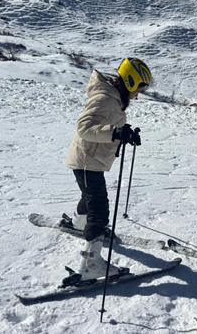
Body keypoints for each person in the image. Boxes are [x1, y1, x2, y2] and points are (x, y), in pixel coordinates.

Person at [65, 57, 152, 279]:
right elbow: (84, 128)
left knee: (90, 197)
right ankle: (90, 265)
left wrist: (125, 133)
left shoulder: (113, 98)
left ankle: (79, 223)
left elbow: (104, 125)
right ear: (131, 81)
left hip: (90, 160)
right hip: (87, 161)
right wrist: (115, 132)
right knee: (99, 210)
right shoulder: (105, 98)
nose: (138, 94)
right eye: (139, 88)